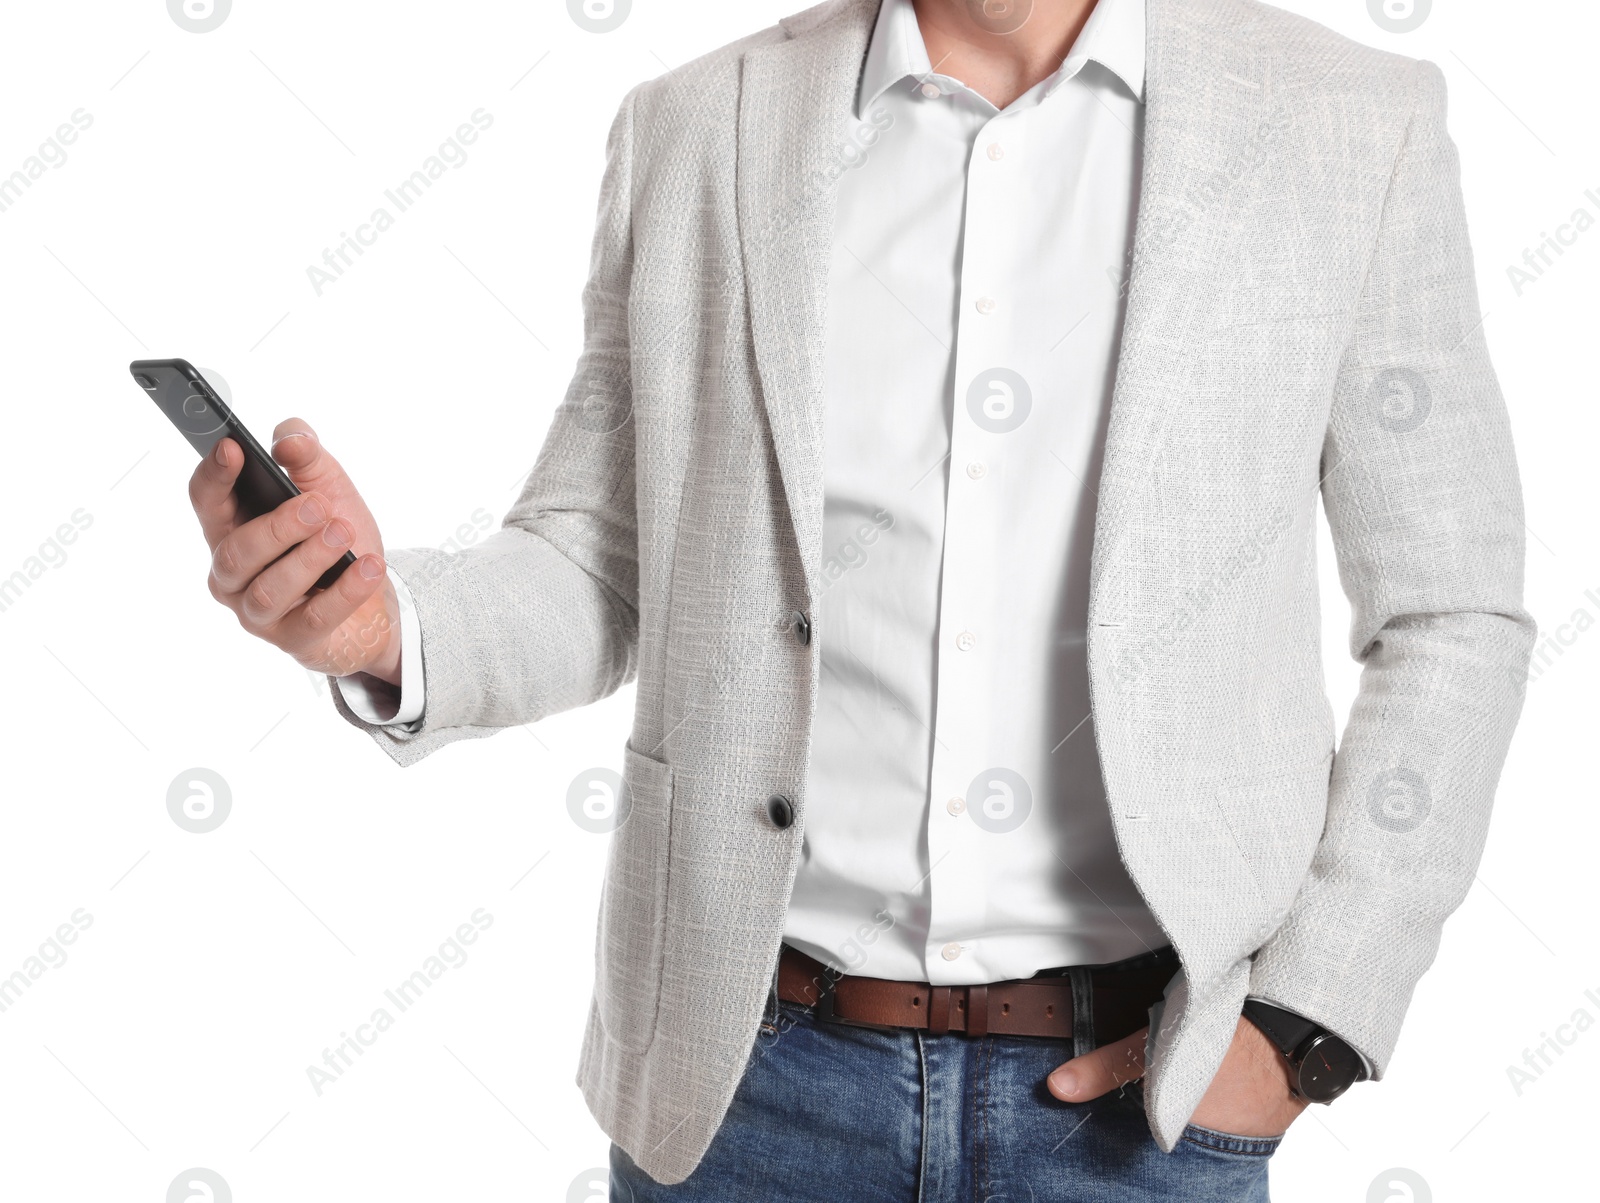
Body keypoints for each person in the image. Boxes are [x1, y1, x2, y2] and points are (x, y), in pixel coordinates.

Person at [186, 0, 1532, 1197]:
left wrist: (1300, 1029)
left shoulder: (1350, 124)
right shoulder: (699, 127)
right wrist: (381, 629)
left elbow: (1450, 609)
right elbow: (597, 554)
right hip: (745, 1096)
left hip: (1150, 1114)